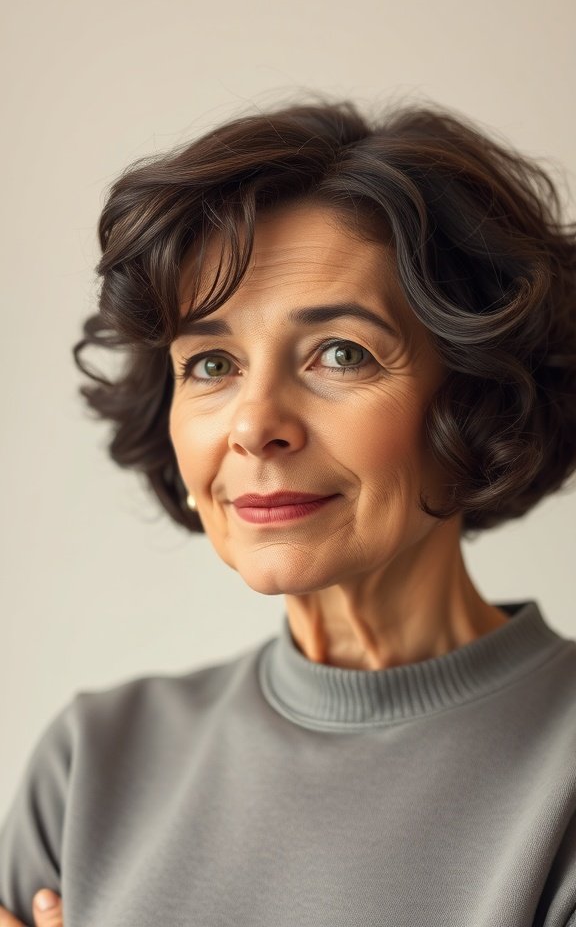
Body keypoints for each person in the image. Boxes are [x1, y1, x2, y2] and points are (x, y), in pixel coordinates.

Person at [1, 98, 575, 927]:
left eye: (339, 353)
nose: (253, 424)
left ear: (476, 394)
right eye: (210, 363)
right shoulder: (93, 761)